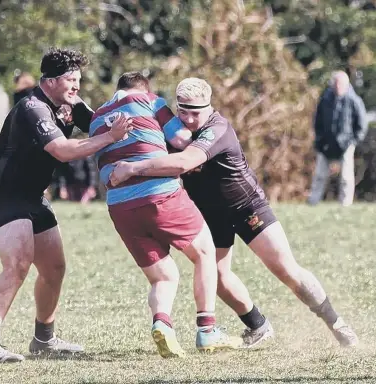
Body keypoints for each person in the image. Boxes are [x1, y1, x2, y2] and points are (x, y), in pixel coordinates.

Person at [110, 77, 358, 348]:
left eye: (196, 113)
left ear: (209, 107)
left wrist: (134, 168)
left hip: (247, 207)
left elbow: (184, 162)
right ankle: (258, 325)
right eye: (184, 112)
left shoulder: (217, 128)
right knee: (216, 276)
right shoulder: (173, 131)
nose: (190, 119)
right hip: (211, 216)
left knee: (286, 270)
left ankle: (335, 322)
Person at [0, 47, 132, 364]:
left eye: (78, 80)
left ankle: (44, 340)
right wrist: (111, 137)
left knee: (54, 268)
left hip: (32, 197)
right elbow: (63, 150)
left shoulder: (70, 103)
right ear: (51, 81)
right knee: (17, 264)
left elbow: (98, 123)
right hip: (3, 195)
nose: (76, 87)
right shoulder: (33, 108)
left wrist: (130, 121)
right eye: (71, 80)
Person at [90, 72, 239, 358]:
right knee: (205, 252)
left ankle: (162, 323)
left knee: (164, 276)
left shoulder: (98, 117)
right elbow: (183, 139)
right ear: (143, 88)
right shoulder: (150, 101)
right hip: (160, 194)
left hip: (119, 206)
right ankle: (207, 330)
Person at [308, 70, 368, 206]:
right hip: (325, 144)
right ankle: (313, 201)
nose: (337, 86)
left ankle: (345, 203)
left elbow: (361, 125)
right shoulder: (325, 99)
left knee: (346, 177)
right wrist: (319, 139)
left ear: (346, 85)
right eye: (335, 84)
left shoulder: (354, 100)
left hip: (346, 144)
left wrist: (352, 141)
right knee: (319, 175)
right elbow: (317, 122)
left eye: (340, 84)